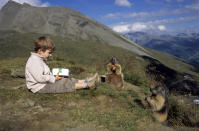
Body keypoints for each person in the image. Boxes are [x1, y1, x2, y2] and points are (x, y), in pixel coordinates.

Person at [25, 36, 100, 93]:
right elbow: (39, 78)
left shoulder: (39, 59)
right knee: (62, 85)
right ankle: (87, 85)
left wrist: (54, 77)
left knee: (65, 80)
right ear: (40, 51)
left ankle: (86, 80)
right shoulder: (34, 61)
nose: (50, 55)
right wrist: (53, 78)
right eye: (49, 52)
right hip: (39, 87)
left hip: (44, 83)